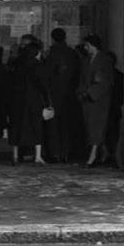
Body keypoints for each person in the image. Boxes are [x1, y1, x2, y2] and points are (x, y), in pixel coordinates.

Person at [41, 28, 81, 163]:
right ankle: (66, 152)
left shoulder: (51, 54)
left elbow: (46, 75)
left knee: (53, 125)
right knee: (67, 124)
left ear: (52, 38)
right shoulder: (72, 53)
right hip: (70, 94)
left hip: (53, 95)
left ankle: (54, 153)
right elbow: (77, 74)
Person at [7, 36, 47, 165]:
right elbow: (42, 84)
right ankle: (37, 156)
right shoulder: (37, 66)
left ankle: (15, 155)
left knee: (16, 126)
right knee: (36, 126)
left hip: (17, 100)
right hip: (34, 100)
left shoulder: (16, 64)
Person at [76, 34, 114, 167]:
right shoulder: (85, 60)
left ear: (93, 45)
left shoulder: (105, 60)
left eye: (87, 45)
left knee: (96, 127)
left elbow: (106, 81)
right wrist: (80, 93)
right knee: (91, 127)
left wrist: (91, 93)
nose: (85, 48)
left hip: (99, 99)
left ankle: (92, 156)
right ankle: (104, 151)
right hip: (86, 98)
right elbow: (81, 78)